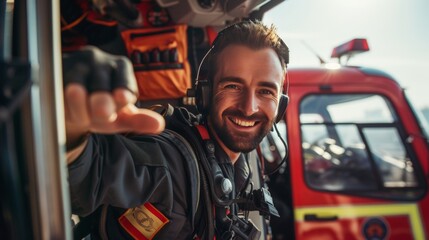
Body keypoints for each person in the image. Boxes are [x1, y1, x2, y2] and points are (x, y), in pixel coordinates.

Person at [64, 20, 289, 239]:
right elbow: (88, 177)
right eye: (232, 86)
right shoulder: (169, 162)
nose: (249, 108)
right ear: (205, 93)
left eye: (266, 92)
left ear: (281, 105)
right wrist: (70, 130)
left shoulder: (243, 165)